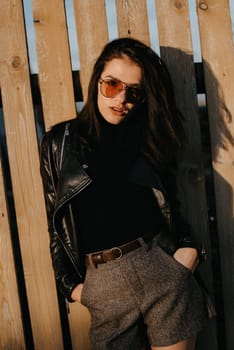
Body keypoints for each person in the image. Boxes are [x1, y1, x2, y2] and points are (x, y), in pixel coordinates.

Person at [40, 37, 212, 350]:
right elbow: (56, 221)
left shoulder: (149, 137)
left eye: (134, 91)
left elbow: (169, 204)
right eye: (112, 85)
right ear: (96, 82)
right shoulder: (59, 143)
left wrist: (187, 252)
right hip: (103, 285)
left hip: (162, 269)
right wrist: (74, 288)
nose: (121, 98)